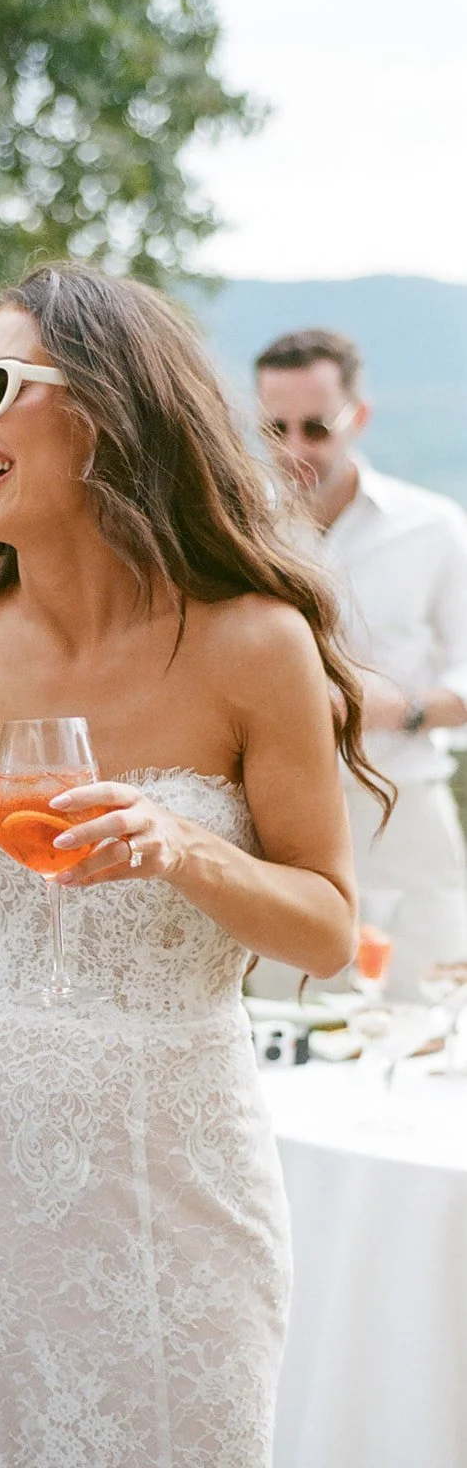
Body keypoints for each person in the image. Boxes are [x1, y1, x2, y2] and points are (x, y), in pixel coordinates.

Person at [0, 264, 390, 1468]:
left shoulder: (252, 643)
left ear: (103, 412)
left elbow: (325, 926)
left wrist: (187, 853)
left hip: (174, 1147)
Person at [252, 327, 467, 1000]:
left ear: (358, 417)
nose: (293, 450)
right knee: (284, 1028)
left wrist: (400, 710)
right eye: (273, 428)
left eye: (313, 427)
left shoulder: (434, 527)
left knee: (425, 1023)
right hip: (275, 819)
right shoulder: (237, 532)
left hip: (402, 814)